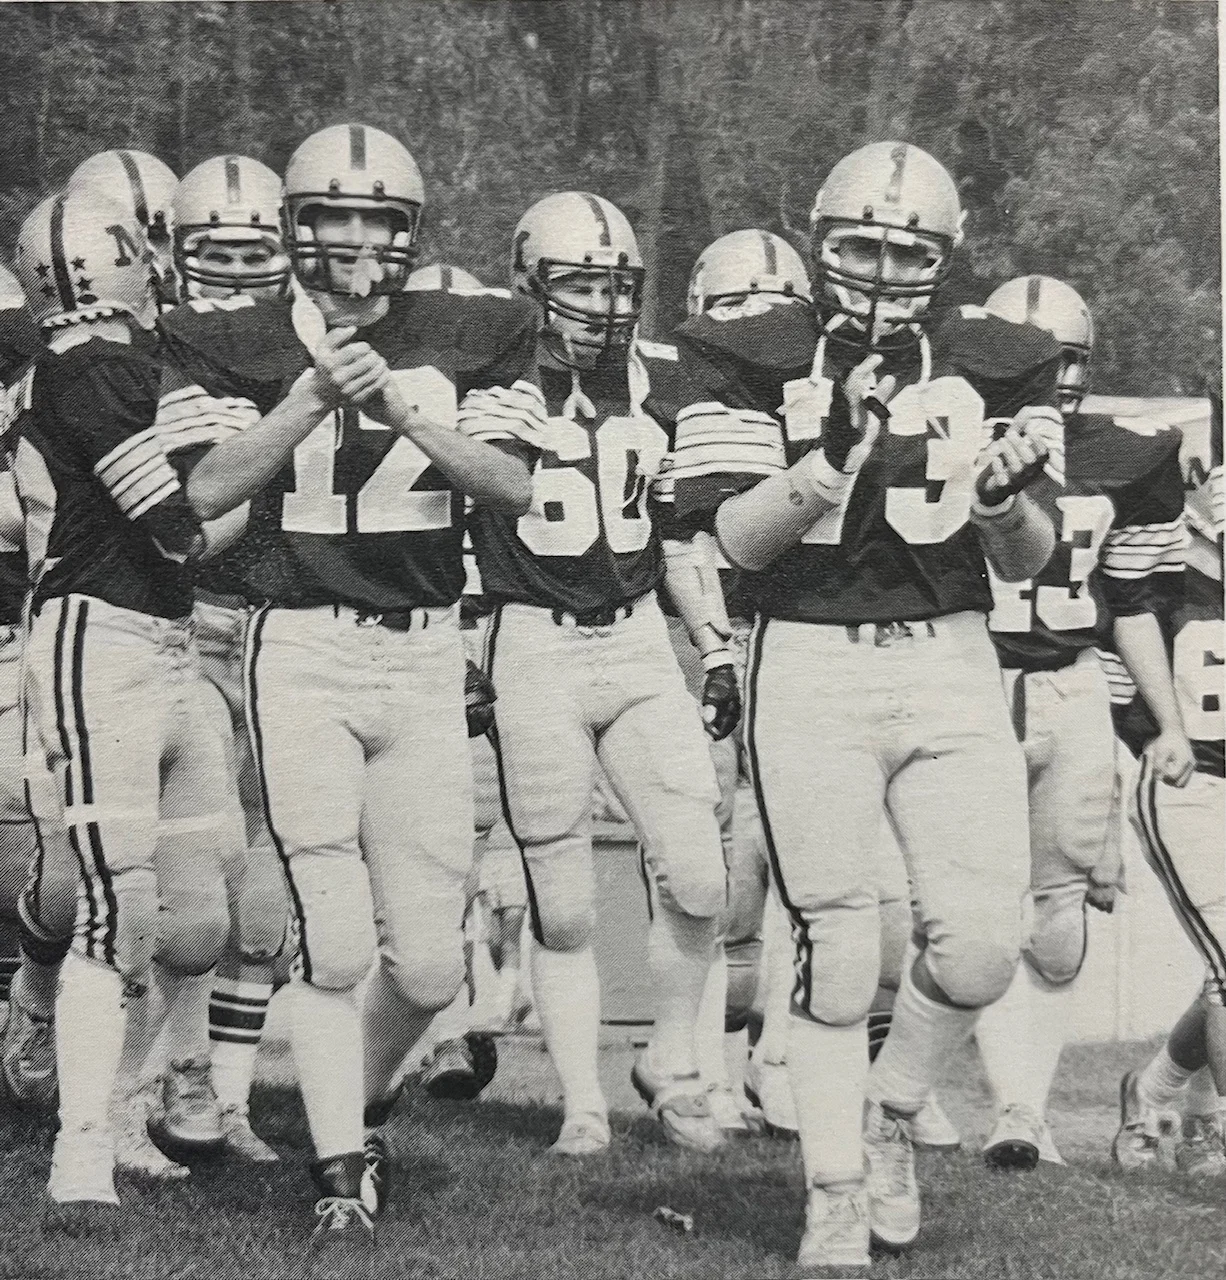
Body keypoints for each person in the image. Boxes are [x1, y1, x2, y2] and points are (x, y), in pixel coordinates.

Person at [673, 142, 1060, 1272]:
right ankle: (835, 1186)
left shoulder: (994, 356)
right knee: (838, 947)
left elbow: (1028, 559)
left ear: (943, 258)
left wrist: (1001, 504)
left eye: (907, 252)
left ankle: (889, 1110)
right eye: (859, 246)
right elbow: (738, 542)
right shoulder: (747, 348)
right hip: (807, 657)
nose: (883, 272)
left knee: (982, 947)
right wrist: (830, 457)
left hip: (949, 653)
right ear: (818, 240)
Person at [157, 122, 541, 1260]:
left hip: (422, 653)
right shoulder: (227, 337)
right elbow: (203, 493)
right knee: (331, 938)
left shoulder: (472, 331)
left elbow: (514, 485)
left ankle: (359, 1109)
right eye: (335, 217)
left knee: (427, 964)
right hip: (301, 644)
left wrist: (407, 412)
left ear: (411, 231)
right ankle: (336, 1168)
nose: (360, 241)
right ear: (296, 226)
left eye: (381, 220)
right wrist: (309, 398)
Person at [469, 191, 731, 1158]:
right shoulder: (489, 375)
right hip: (532, 641)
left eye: (618, 286)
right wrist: (465, 651)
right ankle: (581, 1102)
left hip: (634, 640)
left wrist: (712, 644)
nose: (603, 305)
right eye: (580, 283)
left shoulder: (657, 382)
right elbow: (454, 526)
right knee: (564, 901)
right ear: (528, 282)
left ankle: (671, 1057)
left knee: (700, 877)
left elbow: (674, 534)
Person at [10, 184, 236, 1223]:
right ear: (127, 263)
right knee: (118, 908)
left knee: (190, 914)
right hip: (99, 637)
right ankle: (82, 1149)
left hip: (163, 640)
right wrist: (290, 426)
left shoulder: (110, 360)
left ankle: (112, 1093)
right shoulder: (92, 365)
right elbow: (179, 528)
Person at [967, 275, 1192, 1167]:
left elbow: (1131, 604)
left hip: (1072, 685)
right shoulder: (946, 440)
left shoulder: (1123, 456)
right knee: (976, 911)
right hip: (971, 684)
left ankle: (1025, 1111)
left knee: (1059, 924)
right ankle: (989, 1109)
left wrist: (1167, 722)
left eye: (1061, 359)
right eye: (1028, 359)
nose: (1047, 377)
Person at [1107, 381, 1224, 1177]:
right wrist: (1160, 733)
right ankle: (1210, 1124)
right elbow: (1125, 629)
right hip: (1195, 777)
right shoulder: (1166, 547)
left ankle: (1155, 1092)